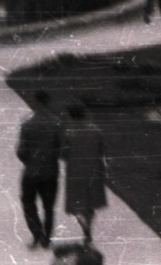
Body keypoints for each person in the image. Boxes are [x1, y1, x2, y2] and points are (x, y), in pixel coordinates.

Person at [17, 90, 64, 249]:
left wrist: (29, 161)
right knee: (49, 206)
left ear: (35, 101)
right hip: (50, 170)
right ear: (48, 102)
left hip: (31, 171)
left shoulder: (27, 124)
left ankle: (36, 232)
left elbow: (21, 151)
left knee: (28, 202)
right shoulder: (57, 123)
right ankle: (47, 236)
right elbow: (61, 148)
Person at [62, 104, 108, 245]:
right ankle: (88, 227)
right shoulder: (96, 130)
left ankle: (85, 228)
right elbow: (102, 150)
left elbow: (63, 153)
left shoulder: (69, 132)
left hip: (75, 170)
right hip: (93, 170)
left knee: (76, 202)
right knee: (90, 203)